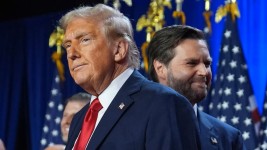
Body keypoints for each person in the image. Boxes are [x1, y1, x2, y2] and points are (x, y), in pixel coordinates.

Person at [59, 4, 201, 150]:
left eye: (85, 40)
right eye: (68, 45)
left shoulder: (163, 104)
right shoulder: (80, 118)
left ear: (119, 49)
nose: (71, 54)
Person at [147, 25, 245, 150]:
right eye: (191, 63)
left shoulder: (228, 138)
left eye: (207, 63)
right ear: (160, 68)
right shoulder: (131, 126)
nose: (204, 72)